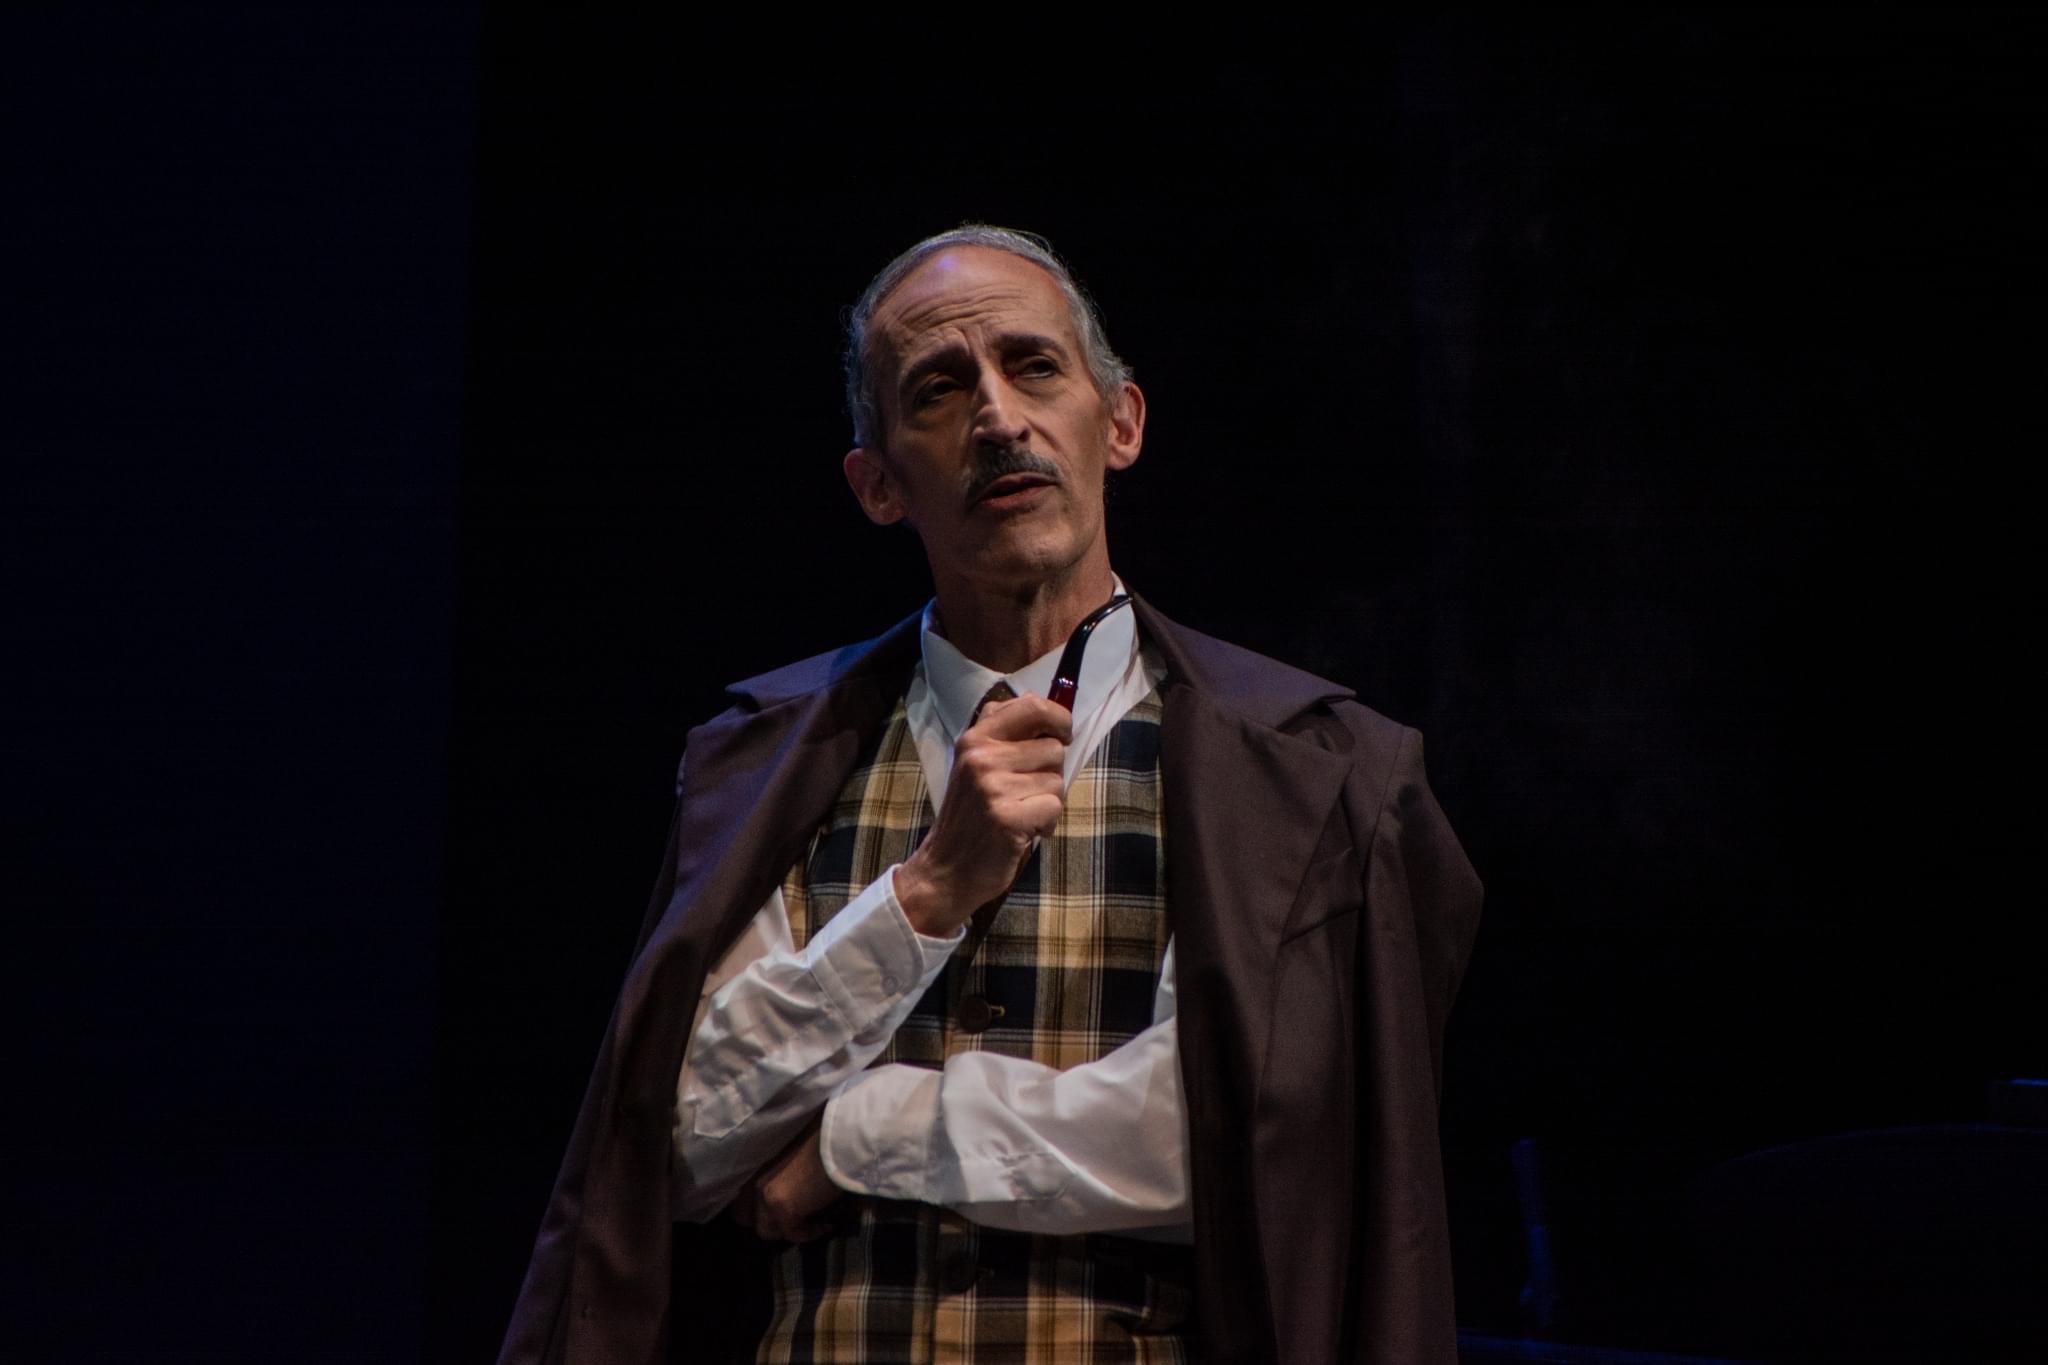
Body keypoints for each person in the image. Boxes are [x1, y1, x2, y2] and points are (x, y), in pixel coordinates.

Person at [497, 226, 1482, 1364]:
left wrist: (862, 1133)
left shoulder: (1303, 773)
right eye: (938, 390)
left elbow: (1243, 1134)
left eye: (1034, 367)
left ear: (1120, 423)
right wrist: (923, 894)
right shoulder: (767, 762)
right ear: (877, 485)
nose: (999, 418)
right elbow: (667, 1145)